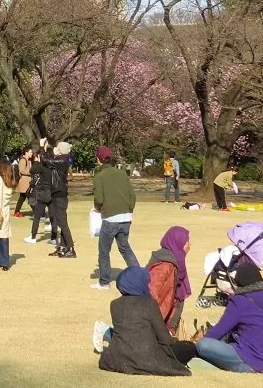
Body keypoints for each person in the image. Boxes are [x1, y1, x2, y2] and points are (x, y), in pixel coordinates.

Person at [94, 265, 194, 376]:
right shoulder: (149, 304)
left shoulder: (114, 304)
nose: (148, 285)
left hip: (118, 358)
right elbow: (164, 339)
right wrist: (176, 341)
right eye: (147, 282)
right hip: (146, 359)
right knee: (189, 347)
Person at [92, 146, 138, 290]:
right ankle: (139, 275)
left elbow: (99, 199)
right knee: (125, 248)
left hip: (110, 218)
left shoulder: (99, 176)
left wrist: (98, 208)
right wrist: (129, 210)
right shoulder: (122, 173)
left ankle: (104, 282)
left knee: (104, 251)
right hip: (125, 217)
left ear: (99, 159)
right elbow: (132, 195)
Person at [147, 226, 191, 335]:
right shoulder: (165, 265)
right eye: (187, 241)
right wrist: (156, 325)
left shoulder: (176, 261)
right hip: (152, 322)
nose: (189, 245)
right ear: (178, 242)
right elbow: (152, 293)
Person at [45, 141, 74, 258]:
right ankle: (62, 248)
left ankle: (71, 248)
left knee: (62, 223)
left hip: (60, 196)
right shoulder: (60, 159)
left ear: (61, 150)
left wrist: (43, 147)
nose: (55, 149)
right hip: (56, 194)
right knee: (60, 222)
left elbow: (45, 160)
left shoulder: (63, 160)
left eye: (57, 147)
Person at [13, 146, 35, 217]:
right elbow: (22, 170)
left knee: (22, 198)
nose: (31, 153)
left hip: (27, 182)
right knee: (30, 197)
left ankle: (16, 212)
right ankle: (37, 211)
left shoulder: (29, 160)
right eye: (30, 152)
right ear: (26, 153)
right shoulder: (23, 160)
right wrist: (31, 172)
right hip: (24, 183)